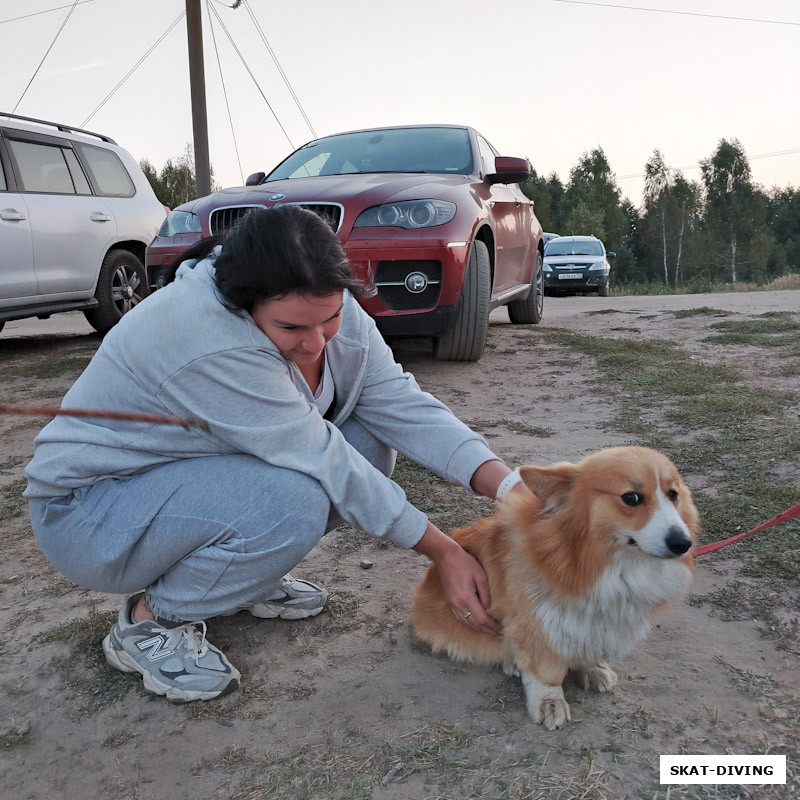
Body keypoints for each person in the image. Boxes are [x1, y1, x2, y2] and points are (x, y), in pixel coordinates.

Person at [24, 206, 525, 703]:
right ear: (246, 305)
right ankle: (147, 624)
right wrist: (446, 553)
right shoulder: (210, 338)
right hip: (88, 513)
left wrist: (509, 486)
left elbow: (399, 402)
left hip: (175, 478)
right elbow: (325, 458)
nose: (315, 344)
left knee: (369, 445)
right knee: (296, 500)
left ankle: (242, 577)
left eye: (329, 319)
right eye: (291, 329)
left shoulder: (325, 305)